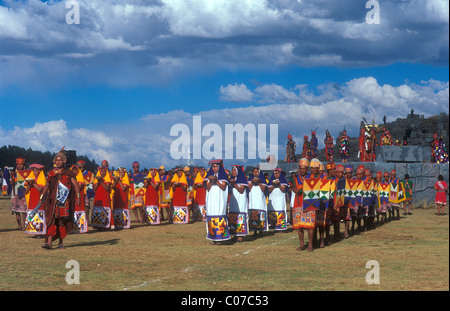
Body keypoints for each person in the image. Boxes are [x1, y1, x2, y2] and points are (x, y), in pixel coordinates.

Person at [40, 150, 80, 249]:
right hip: (52, 201)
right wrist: (41, 196)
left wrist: (78, 196)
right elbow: (47, 185)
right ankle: (49, 242)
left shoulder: (69, 173)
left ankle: (60, 243)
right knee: (51, 220)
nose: (58, 162)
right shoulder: (51, 173)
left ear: (64, 161)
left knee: (62, 222)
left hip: (64, 201)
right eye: (56, 160)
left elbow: (75, 185)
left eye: (60, 160)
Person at [204, 160, 230, 244]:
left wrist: (216, 180)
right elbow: (207, 188)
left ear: (219, 167)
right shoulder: (209, 175)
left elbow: (223, 187)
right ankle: (213, 237)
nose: (214, 168)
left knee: (219, 215)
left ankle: (220, 238)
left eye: (215, 166)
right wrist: (211, 181)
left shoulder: (223, 175)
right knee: (211, 215)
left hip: (220, 199)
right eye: (213, 166)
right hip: (211, 199)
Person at [24, 164, 47, 235]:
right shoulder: (32, 178)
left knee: (39, 214)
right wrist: (28, 184)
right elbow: (27, 191)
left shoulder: (42, 179)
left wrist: (33, 183)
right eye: (33, 171)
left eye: (36, 171)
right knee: (32, 214)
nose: (34, 172)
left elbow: (40, 189)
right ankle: (34, 231)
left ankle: (40, 232)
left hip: (39, 198)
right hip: (32, 198)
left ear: (39, 172)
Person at [228, 165, 249, 241]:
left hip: (241, 200)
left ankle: (241, 235)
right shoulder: (231, 179)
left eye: (234, 170)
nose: (232, 172)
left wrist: (234, 184)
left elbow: (241, 190)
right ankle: (234, 234)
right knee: (233, 216)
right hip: (233, 200)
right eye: (232, 170)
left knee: (240, 215)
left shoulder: (242, 179)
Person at [11, 157, 31, 231]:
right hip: (15, 192)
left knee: (23, 210)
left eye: (21, 164)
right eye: (19, 164)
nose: (20, 166)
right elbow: (12, 182)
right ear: (17, 164)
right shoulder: (14, 173)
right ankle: (19, 225)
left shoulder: (26, 173)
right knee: (16, 210)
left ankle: (24, 225)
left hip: (23, 192)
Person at [247, 166, 268, 237]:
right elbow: (248, 189)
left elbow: (263, 189)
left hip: (260, 200)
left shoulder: (263, 179)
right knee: (253, 215)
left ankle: (261, 230)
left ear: (259, 172)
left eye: (257, 172)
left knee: (260, 214)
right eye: (254, 172)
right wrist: (252, 183)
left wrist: (259, 182)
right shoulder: (250, 180)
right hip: (252, 200)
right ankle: (254, 231)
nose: (255, 173)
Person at [70, 165, 88, 233]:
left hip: (78, 197)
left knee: (79, 210)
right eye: (73, 170)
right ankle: (72, 227)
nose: (74, 171)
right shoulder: (70, 178)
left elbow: (79, 187)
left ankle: (81, 228)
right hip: (72, 197)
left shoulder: (80, 177)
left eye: (75, 170)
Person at [78, 160, 94, 225]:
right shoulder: (75, 173)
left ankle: (87, 221)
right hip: (77, 192)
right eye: (80, 167)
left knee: (86, 206)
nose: (81, 169)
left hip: (86, 192)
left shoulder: (89, 174)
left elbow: (91, 183)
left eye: (82, 167)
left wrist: (87, 191)